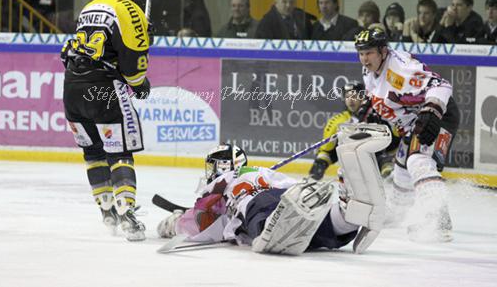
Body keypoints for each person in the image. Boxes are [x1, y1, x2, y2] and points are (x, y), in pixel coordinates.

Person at [158, 131, 391, 255]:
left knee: (261, 220)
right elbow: (293, 190)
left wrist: (175, 223)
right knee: (319, 230)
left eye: (212, 165)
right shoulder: (261, 171)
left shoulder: (222, 184)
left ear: (222, 166)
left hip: (258, 204)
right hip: (287, 196)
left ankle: (275, 224)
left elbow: (203, 220)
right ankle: (345, 215)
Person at [60, 0, 151, 241]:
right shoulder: (129, 8)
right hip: (103, 89)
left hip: (72, 88)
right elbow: (134, 67)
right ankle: (127, 215)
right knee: (119, 151)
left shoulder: (90, 7)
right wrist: (140, 85)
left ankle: (107, 212)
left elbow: (68, 52)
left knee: (93, 153)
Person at [354, 28, 460, 242]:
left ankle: (440, 219)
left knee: (418, 162)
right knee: (401, 169)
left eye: (369, 53)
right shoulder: (369, 71)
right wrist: (371, 111)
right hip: (413, 122)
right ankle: (398, 213)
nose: (364, 59)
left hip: (438, 116)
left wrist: (431, 111)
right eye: (361, 53)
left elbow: (441, 85)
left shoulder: (400, 70)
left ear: (383, 51)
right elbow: (378, 95)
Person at [309, 81, 397, 181]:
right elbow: (327, 150)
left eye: (355, 96)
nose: (351, 100)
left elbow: (394, 142)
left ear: (363, 98)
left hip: (378, 164)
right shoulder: (337, 121)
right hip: (352, 168)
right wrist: (320, 163)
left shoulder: (378, 117)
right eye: (347, 96)